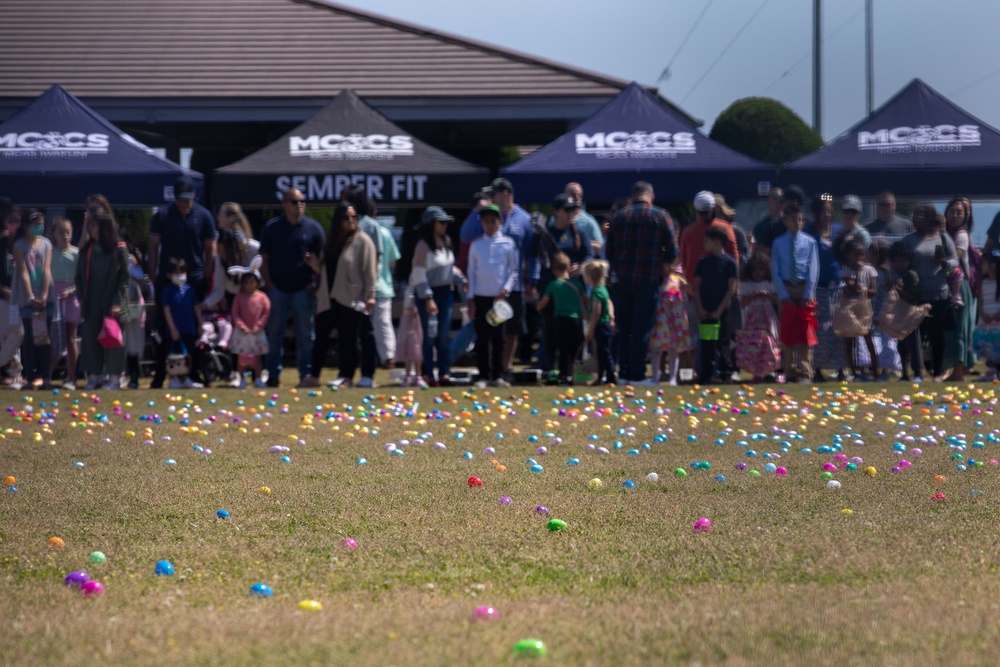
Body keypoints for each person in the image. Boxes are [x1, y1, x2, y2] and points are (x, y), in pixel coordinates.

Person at [147, 175, 216, 388]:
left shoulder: (204, 216)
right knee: (163, 329)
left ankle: (193, 374)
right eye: (180, 199)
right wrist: (154, 276)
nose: (184, 204)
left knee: (193, 328)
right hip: (167, 279)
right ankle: (160, 375)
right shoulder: (162, 215)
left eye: (187, 199)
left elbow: (210, 248)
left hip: (194, 279)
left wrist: (207, 275)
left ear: (194, 196)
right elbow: (152, 246)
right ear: (174, 197)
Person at [606, 181, 677, 385]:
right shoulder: (662, 216)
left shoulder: (618, 217)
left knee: (623, 328)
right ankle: (637, 375)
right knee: (641, 330)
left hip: (622, 281)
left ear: (633, 196)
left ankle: (624, 372)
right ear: (651, 196)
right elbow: (672, 251)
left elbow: (609, 251)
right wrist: (664, 270)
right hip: (648, 280)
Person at [259, 187, 325, 387]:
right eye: (295, 202)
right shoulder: (272, 228)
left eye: (302, 202)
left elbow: (323, 261)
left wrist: (314, 282)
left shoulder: (314, 228)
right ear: (284, 204)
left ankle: (305, 375)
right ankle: (273, 375)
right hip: (277, 289)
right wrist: (268, 283)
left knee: (305, 334)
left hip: (303, 290)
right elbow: (264, 258)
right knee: (275, 334)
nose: (300, 206)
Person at [309, 203, 377, 388]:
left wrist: (370, 295)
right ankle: (313, 376)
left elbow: (370, 271)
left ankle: (346, 376)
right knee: (321, 336)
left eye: (354, 216)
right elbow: (327, 270)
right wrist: (314, 265)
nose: (351, 220)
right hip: (328, 297)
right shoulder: (331, 242)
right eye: (347, 217)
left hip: (351, 297)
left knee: (348, 338)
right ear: (338, 220)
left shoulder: (363, 241)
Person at [529, 193, 594, 375]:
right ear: (556, 211)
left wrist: (580, 266)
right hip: (551, 288)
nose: (570, 213)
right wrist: (536, 232)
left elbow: (588, 254)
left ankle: (574, 371)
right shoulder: (547, 232)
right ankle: (552, 370)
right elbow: (530, 250)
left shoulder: (579, 232)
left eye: (573, 209)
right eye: (567, 209)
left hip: (572, 290)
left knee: (573, 333)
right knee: (550, 331)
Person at [901, 203, 958, 381]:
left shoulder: (942, 237)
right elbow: (898, 261)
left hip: (939, 293)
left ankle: (937, 372)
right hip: (916, 294)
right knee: (915, 334)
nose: (920, 219)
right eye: (917, 216)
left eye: (924, 216)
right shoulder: (908, 240)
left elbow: (955, 260)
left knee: (936, 334)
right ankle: (915, 370)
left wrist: (944, 262)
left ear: (932, 218)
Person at [409, 206, 462, 386]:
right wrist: (428, 298)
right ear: (431, 224)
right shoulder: (422, 246)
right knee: (430, 335)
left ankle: (444, 372)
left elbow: (448, 268)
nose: (445, 225)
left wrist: (461, 279)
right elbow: (419, 274)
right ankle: (428, 373)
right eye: (441, 222)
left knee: (443, 334)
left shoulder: (446, 241)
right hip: (428, 295)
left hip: (446, 292)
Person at [467, 204, 518, 389]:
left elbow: (513, 270)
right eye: (486, 221)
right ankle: (483, 375)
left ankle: (499, 375)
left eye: (493, 221)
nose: (489, 224)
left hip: (499, 299)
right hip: (481, 296)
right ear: (481, 223)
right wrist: (471, 298)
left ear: (500, 222)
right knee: (482, 338)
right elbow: (471, 272)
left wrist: (505, 290)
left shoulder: (508, 244)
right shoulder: (476, 245)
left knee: (499, 338)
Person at [489, 179, 533, 375]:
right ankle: (492, 365)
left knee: (513, 327)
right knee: (493, 324)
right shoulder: (490, 217)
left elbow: (532, 253)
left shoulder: (524, 219)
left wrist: (533, 279)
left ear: (505, 193)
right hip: (492, 284)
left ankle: (506, 364)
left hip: (516, 284)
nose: (491, 198)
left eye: (494, 194)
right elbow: (468, 236)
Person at [772, 204, 819, 383]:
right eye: (794, 220)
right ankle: (790, 371)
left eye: (801, 220)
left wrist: (807, 293)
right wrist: (783, 294)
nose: (798, 223)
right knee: (789, 331)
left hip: (804, 287)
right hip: (786, 287)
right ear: (785, 221)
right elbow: (775, 269)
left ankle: (806, 371)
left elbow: (813, 269)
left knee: (806, 332)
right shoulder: (778, 243)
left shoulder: (810, 242)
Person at [12, 209, 54, 390]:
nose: (40, 228)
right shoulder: (19, 246)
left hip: (46, 298)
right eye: (36, 224)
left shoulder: (46, 244)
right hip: (27, 299)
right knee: (29, 339)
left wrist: (44, 295)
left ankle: (46, 378)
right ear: (27, 226)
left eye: (41, 224)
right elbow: (23, 272)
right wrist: (30, 296)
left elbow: (46, 269)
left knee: (44, 339)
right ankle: (29, 378)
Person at [694, 226, 738, 384]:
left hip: (723, 311)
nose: (704, 243)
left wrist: (720, 309)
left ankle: (726, 374)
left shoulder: (729, 263)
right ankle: (706, 374)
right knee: (707, 344)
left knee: (723, 343)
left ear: (717, 242)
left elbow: (731, 288)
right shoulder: (703, 262)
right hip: (705, 309)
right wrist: (700, 307)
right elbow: (697, 285)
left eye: (707, 241)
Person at [807, 193, 844, 382]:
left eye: (830, 211)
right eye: (824, 211)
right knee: (819, 328)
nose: (828, 215)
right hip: (817, 287)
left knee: (838, 328)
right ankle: (818, 369)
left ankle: (840, 368)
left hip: (836, 287)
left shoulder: (839, 231)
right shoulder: (809, 232)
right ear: (816, 213)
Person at [535, 253, 586, 386]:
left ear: (553, 270)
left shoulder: (553, 284)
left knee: (563, 349)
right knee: (576, 349)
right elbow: (585, 300)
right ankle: (578, 376)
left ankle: (563, 376)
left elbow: (544, 302)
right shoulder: (577, 284)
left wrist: (537, 306)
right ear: (569, 267)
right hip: (576, 319)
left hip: (560, 320)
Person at [943, 195, 976, 381]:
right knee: (947, 331)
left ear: (965, 216)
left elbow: (954, 259)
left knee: (959, 330)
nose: (955, 215)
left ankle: (958, 371)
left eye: (959, 212)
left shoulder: (961, 235)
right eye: (952, 211)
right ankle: (949, 370)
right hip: (946, 286)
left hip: (959, 287)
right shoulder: (944, 232)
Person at [838, 238, 879, 380]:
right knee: (849, 341)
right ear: (849, 256)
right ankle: (854, 372)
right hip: (850, 311)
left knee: (868, 339)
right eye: (856, 255)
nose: (859, 258)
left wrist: (862, 289)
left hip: (864, 310)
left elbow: (874, 291)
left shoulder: (869, 270)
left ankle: (875, 372)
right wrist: (851, 285)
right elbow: (845, 292)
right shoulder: (845, 272)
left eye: (862, 255)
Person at [737, 253, 781, 382]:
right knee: (754, 344)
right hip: (753, 318)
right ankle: (756, 372)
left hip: (768, 317)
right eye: (755, 269)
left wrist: (767, 295)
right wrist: (751, 296)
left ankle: (771, 370)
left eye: (761, 269)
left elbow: (778, 300)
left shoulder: (769, 283)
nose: (758, 273)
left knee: (770, 343)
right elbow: (742, 303)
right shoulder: (747, 285)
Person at [228, 257, 271, 388]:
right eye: (246, 283)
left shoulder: (262, 297)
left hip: (256, 332)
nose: (249, 285)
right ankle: (241, 379)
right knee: (242, 358)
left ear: (257, 282)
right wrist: (242, 326)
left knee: (257, 357)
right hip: (242, 333)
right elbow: (235, 313)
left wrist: (258, 326)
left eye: (252, 282)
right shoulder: (239, 297)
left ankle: (258, 378)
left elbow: (266, 312)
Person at [48, 217, 80, 389]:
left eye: (68, 232)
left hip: (71, 298)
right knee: (53, 338)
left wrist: (71, 291)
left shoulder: (76, 253)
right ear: (54, 234)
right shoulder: (49, 252)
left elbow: (81, 280)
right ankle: (47, 376)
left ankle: (71, 376)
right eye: (61, 231)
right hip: (53, 298)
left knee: (70, 338)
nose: (65, 235)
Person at [160, 258, 201, 389]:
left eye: (182, 272)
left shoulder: (190, 290)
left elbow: (196, 308)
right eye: (176, 273)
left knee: (187, 356)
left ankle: (186, 378)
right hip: (174, 330)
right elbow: (166, 310)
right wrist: (172, 329)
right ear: (169, 274)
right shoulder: (167, 291)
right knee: (174, 356)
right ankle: (173, 379)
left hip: (189, 327)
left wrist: (200, 324)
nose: (180, 276)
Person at [647, 262, 688, 386]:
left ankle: (673, 378)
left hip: (674, 318)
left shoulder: (677, 280)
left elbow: (688, 289)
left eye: (672, 264)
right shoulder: (657, 280)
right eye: (667, 264)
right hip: (661, 318)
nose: (670, 267)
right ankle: (655, 377)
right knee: (656, 349)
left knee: (673, 348)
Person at [889, 241, 924, 382]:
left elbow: (914, 296)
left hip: (911, 313)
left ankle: (918, 373)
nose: (899, 264)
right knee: (901, 345)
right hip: (898, 313)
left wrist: (899, 291)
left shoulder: (911, 275)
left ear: (908, 260)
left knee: (914, 344)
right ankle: (904, 373)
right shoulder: (894, 275)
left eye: (903, 260)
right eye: (896, 261)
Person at [0, 199, 24, 388]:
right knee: (7, 335)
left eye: (17, 221)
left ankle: (15, 372)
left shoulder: (20, 243)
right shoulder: (2, 243)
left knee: (17, 333)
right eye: (10, 221)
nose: (14, 225)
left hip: (17, 296)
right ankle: (14, 372)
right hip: (3, 295)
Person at [372, 214, 401, 368]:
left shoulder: (359, 231)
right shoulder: (385, 233)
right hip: (383, 286)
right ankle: (389, 356)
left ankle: (382, 357)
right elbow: (392, 262)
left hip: (364, 289)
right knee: (383, 324)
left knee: (366, 327)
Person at [974, 252, 1000, 382]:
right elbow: (981, 301)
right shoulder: (983, 283)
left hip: (997, 321)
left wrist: (997, 315)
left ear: (993, 265)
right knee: (989, 345)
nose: (981, 265)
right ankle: (991, 370)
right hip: (987, 321)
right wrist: (983, 315)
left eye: (984, 263)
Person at [396, 287, 424, 388]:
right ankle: (408, 376)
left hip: (418, 323)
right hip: (410, 323)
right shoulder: (409, 291)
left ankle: (418, 376)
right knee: (410, 350)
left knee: (417, 349)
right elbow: (409, 307)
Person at [564, 182, 604, 255]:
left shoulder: (589, 221)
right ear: (565, 196)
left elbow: (600, 247)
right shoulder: (556, 219)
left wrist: (582, 243)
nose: (577, 198)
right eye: (573, 194)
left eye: (580, 195)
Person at [751, 186, 784, 254]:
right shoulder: (760, 226)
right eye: (775, 198)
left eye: (781, 199)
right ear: (768, 201)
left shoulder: (789, 223)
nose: (778, 202)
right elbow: (756, 248)